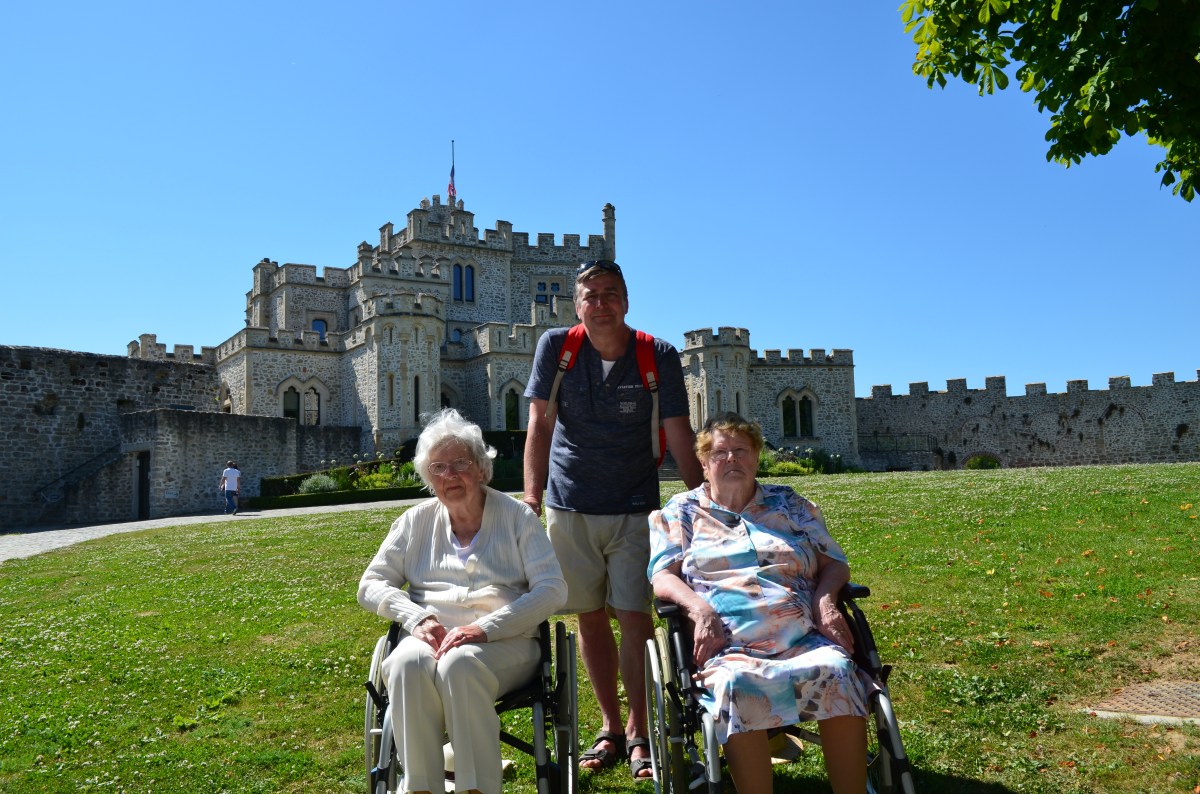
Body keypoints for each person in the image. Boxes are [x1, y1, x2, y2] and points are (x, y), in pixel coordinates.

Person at [523, 259, 704, 779]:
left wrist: (703, 499)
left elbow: (677, 428)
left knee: (634, 615)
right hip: (569, 502)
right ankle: (610, 727)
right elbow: (540, 420)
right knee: (588, 617)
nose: (600, 304)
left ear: (626, 300)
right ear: (576, 305)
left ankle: (640, 730)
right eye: (590, 296)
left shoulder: (657, 354)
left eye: (610, 293)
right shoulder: (557, 347)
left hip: (634, 506)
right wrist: (532, 497)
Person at [648, 412, 868, 793]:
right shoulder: (681, 511)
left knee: (838, 669)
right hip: (728, 645)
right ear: (703, 463)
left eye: (741, 450)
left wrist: (826, 602)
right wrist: (699, 610)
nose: (731, 459)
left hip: (804, 637)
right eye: (720, 452)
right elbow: (662, 575)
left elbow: (834, 563)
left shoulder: (790, 503)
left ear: (756, 457)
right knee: (735, 683)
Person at [359, 409, 567, 794]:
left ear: (481, 468)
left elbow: (552, 589)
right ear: (427, 477)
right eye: (437, 468)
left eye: (460, 463)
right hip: (432, 638)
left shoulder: (518, 518)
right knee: (404, 661)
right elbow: (370, 584)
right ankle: (422, 787)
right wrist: (416, 618)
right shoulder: (414, 522)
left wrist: (485, 629)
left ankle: (478, 788)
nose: (449, 476)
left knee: (460, 664)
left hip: (506, 644)